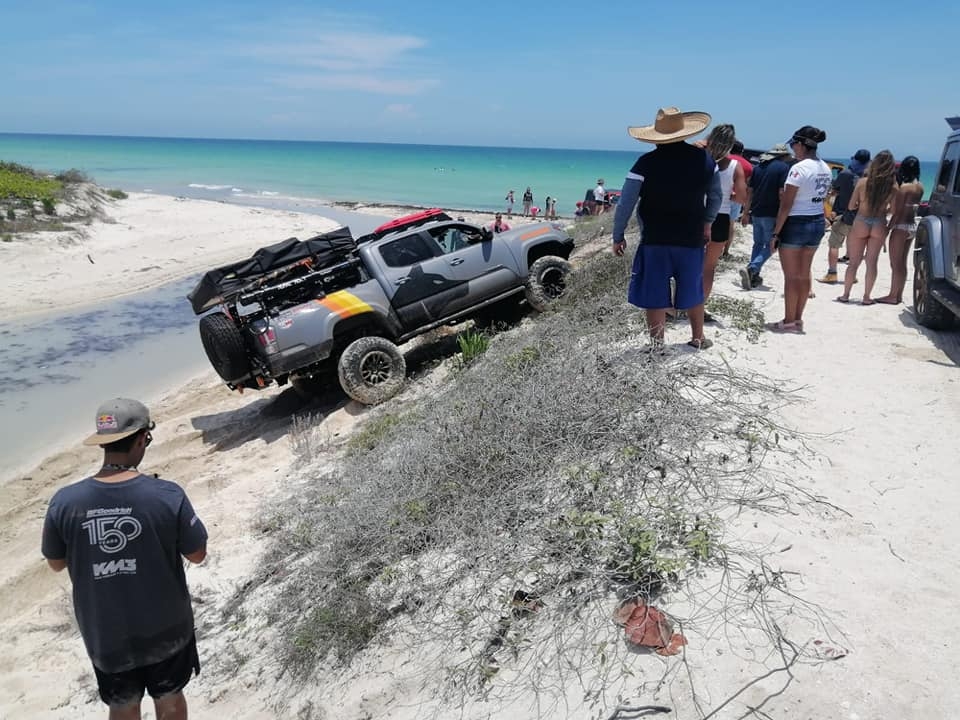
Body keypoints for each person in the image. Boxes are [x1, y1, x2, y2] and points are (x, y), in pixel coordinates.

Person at [41, 398, 208, 720]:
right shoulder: (167, 494)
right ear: (143, 438)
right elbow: (197, 555)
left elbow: (56, 563)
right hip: (167, 629)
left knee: (122, 705)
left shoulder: (64, 502)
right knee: (170, 698)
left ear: (103, 443)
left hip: (106, 633)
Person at [612, 106, 721, 350]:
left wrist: (618, 235)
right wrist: (707, 223)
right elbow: (716, 197)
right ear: (684, 132)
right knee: (693, 287)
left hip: (655, 238)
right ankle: (698, 338)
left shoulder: (645, 163)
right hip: (691, 237)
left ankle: (658, 345)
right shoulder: (705, 160)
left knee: (655, 293)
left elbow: (625, 203)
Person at [768, 125, 832, 332]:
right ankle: (797, 319)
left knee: (791, 276)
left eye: (794, 145)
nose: (793, 149)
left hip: (796, 223)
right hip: (816, 221)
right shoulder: (825, 168)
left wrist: (776, 233)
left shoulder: (798, 169)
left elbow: (786, 205)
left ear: (801, 144)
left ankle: (788, 320)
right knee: (804, 274)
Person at [837, 150, 898, 305]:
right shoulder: (893, 185)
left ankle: (845, 295)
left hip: (861, 221)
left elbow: (851, 206)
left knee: (853, 262)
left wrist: (861, 204)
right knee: (872, 262)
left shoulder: (863, 182)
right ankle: (866, 297)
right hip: (879, 222)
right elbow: (893, 211)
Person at [703, 124, 747, 307]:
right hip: (720, 217)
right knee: (709, 267)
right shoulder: (735, 167)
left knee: (689, 263)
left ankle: (678, 303)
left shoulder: (701, 158)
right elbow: (742, 198)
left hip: (698, 214)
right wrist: (728, 194)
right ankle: (699, 305)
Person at [739, 143, 792, 289]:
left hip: (756, 211)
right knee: (772, 245)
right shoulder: (783, 168)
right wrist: (784, 213)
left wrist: (745, 213)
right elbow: (782, 193)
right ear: (783, 156)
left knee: (758, 243)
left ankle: (753, 276)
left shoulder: (758, 168)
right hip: (772, 212)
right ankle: (752, 268)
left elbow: (750, 192)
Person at [877, 156, 925, 304]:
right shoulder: (921, 187)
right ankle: (898, 295)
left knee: (895, 263)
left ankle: (892, 295)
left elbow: (896, 212)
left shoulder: (904, 188)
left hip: (900, 226)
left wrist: (887, 229)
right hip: (912, 226)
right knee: (902, 263)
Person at [818, 148, 870, 283]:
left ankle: (832, 273)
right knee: (854, 247)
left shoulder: (846, 174)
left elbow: (834, 189)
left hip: (844, 215)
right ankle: (852, 275)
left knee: (834, 245)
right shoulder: (869, 177)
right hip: (862, 218)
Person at [726, 140, 754, 256]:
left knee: (715, 223)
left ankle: (712, 249)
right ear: (742, 151)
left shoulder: (725, 159)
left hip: (723, 195)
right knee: (730, 225)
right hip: (737, 198)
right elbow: (748, 188)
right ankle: (725, 251)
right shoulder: (748, 165)